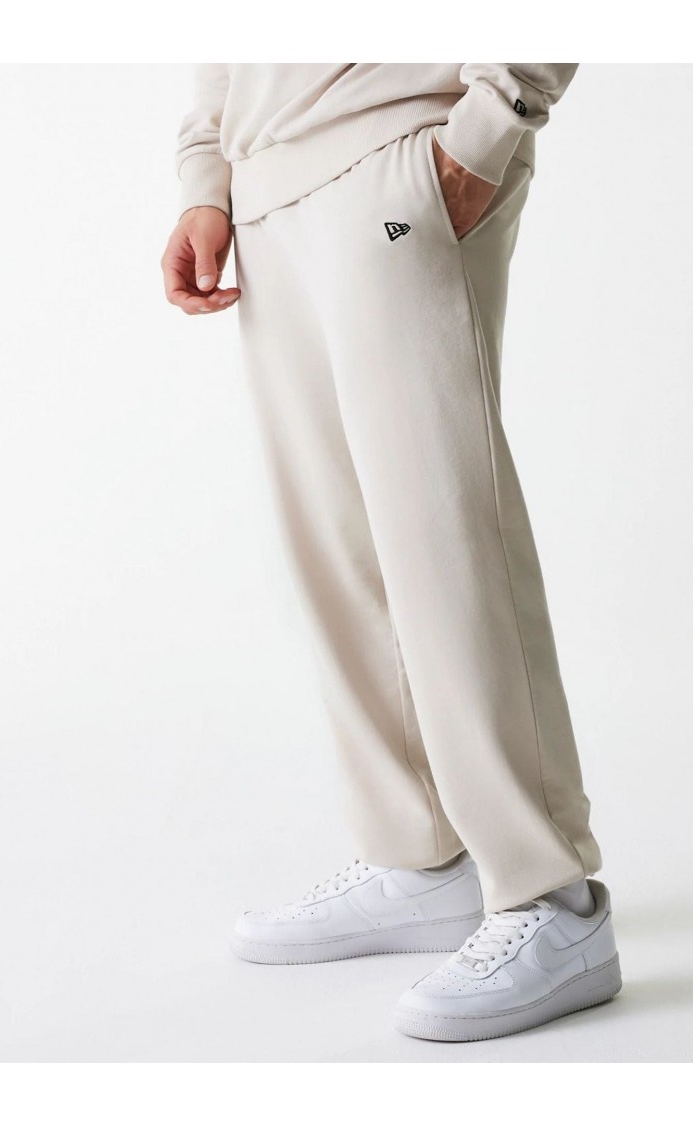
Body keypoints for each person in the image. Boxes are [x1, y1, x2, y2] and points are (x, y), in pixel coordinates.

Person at [161, 64, 622, 1042]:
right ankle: (421, 858)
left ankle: (551, 895)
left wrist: (489, 127)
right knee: (342, 552)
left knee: (443, 530)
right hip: (265, 193)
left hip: (398, 151)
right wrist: (208, 174)